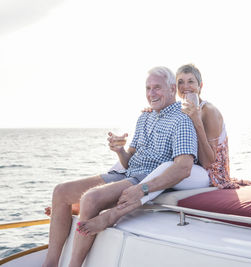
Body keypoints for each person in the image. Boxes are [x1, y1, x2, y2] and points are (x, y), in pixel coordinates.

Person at [43, 66, 210, 267]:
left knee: (90, 199)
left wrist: (143, 188)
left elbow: (184, 167)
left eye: (157, 88)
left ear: (172, 88)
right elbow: (128, 161)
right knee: (61, 191)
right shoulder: (144, 117)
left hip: (143, 178)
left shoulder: (182, 119)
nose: (151, 94)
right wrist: (119, 150)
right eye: (148, 88)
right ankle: (49, 264)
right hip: (127, 173)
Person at [176, 64, 251, 189]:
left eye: (190, 81)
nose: (185, 86)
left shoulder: (209, 111)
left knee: (170, 171)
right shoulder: (180, 110)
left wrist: (197, 122)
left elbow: (208, 162)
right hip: (191, 167)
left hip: (212, 175)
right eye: (180, 82)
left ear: (200, 86)